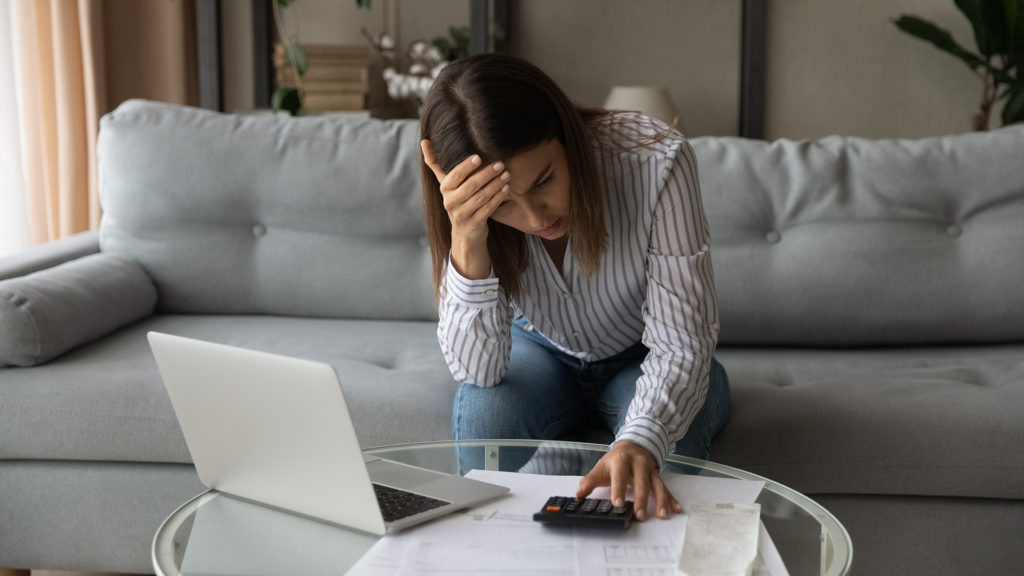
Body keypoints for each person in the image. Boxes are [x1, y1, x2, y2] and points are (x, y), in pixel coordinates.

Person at [419, 53, 729, 522]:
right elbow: (477, 370)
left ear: (565, 133)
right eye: (502, 205)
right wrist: (467, 235)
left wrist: (639, 439)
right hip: (539, 351)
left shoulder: (657, 160)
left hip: (643, 357)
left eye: (544, 180)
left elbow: (681, 345)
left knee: (666, 443)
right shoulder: (473, 219)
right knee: (484, 413)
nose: (536, 218)